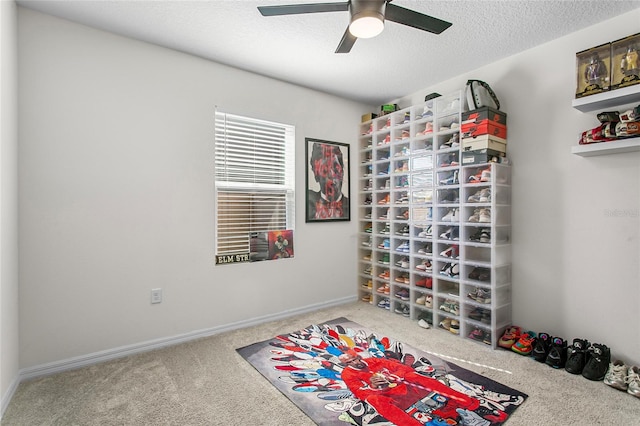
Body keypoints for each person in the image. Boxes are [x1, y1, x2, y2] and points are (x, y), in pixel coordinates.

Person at [338, 350, 479, 426]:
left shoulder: (372, 361)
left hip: (409, 388)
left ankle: (468, 402)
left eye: (356, 359)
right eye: (351, 362)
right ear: (346, 364)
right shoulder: (347, 374)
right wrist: (373, 386)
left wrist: (397, 376)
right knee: (374, 399)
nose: (356, 363)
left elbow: (402, 367)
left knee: (412, 375)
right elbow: (359, 393)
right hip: (393, 398)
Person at [308, 142, 349, 220]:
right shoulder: (309, 203)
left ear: (342, 172)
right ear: (316, 176)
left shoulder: (351, 206)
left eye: (335, 169)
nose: (332, 177)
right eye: (325, 171)